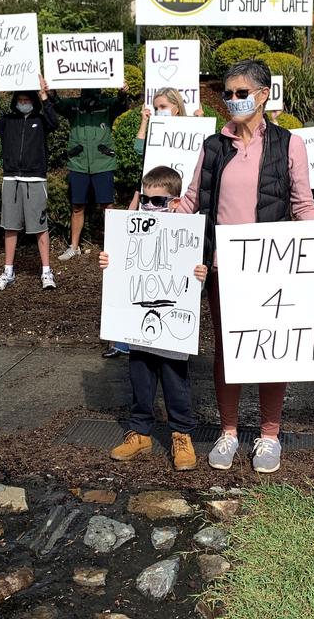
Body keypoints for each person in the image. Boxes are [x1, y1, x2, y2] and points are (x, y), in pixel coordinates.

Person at [178, 59, 314, 474]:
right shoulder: (213, 146)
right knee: (228, 350)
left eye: (242, 93)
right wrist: (142, 223)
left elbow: (302, 204)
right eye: (228, 93)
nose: (233, 100)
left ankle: (269, 434)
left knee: (273, 349)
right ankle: (229, 432)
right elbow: (189, 203)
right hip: (223, 267)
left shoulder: (290, 144)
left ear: (264, 94)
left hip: (272, 268)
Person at [100, 165, 207, 471]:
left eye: (158, 202)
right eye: (145, 200)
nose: (149, 207)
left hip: (173, 328)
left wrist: (201, 273)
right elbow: (120, 265)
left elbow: (197, 272)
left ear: (175, 202)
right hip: (138, 326)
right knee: (140, 380)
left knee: (176, 383)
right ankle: (140, 433)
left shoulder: (188, 233)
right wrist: (108, 260)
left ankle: (181, 435)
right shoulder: (131, 230)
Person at [102, 87, 205, 359]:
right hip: (150, 203)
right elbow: (138, 149)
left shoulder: (190, 129)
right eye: (157, 105)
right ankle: (126, 336)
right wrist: (145, 121)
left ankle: (171, 334)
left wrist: (200, 122)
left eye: (164, 106)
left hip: (175, 207)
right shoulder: (155, 132)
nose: (161, 109)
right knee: (138, 269)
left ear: (176, 106)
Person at [0, 78, 59, 292]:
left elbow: (55, 123)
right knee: (11, 225)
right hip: (11, 178)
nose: (24, 102)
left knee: (40, 227)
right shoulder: (7, 120)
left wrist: (44, 95)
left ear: (33, 101)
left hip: (35, 179)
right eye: (20, 99)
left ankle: (46, 271)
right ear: (15, 101)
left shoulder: (41, 120)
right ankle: (8, 271)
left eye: (27, 99)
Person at [46, 81, 129, 260]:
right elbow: (57, 103)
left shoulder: (107, 105)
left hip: (103, 162)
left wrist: (122, 92)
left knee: (108, 206)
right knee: (77, 206)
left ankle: (115, 246)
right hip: (79, 163)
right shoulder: (74, 106)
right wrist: (50, 90)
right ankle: (74, 246)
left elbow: (121, 104)